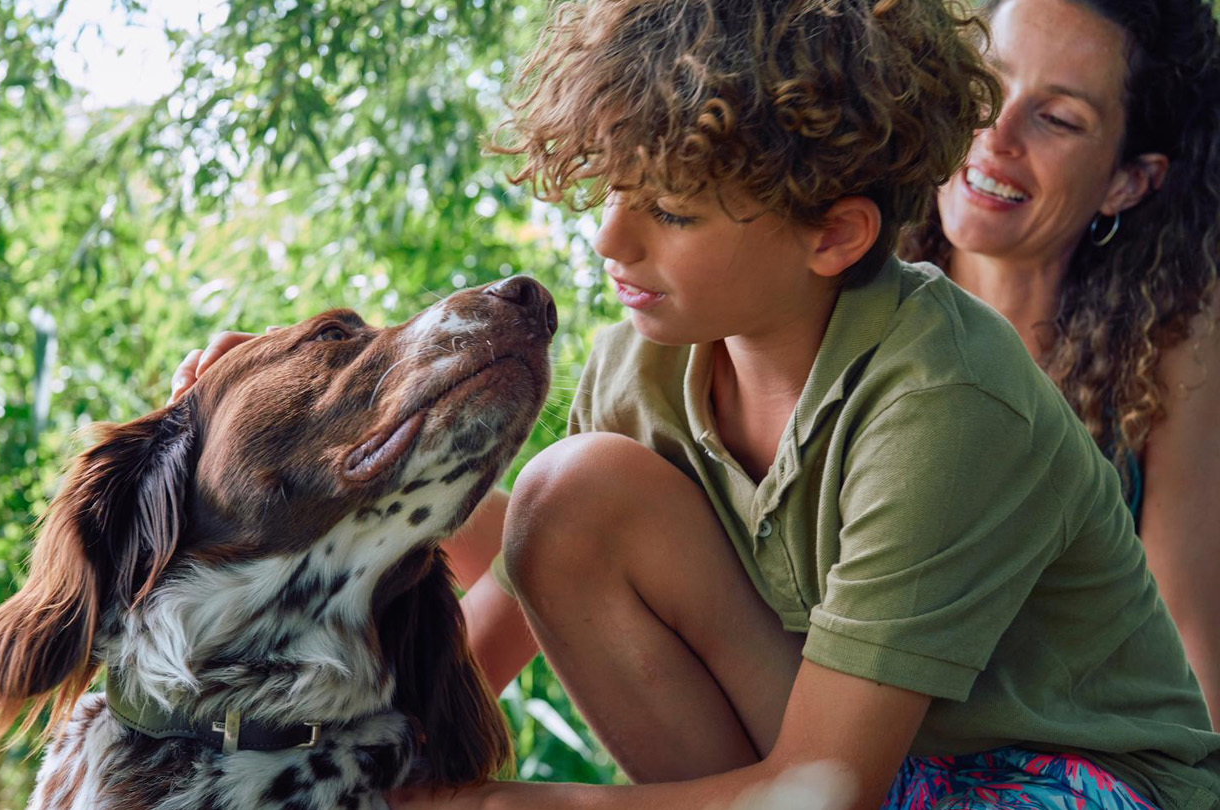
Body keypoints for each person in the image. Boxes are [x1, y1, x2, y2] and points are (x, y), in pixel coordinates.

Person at [171, 0, 1220, 807]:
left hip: (1066, 783)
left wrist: (485, 804)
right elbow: (473, 653)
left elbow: (824, 786)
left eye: (668, 209)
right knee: (570, 496)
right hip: (869, 770)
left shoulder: (947, 397)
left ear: (835, 236)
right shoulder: (643, 370)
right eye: (616, 191)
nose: (611, 240)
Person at [899, 0, 1220, 727]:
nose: (996, 134)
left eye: (1059, 118)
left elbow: (1187, 638)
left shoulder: (1172, 340)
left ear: (1128, 182)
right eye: (990, 83)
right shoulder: (841, 269)